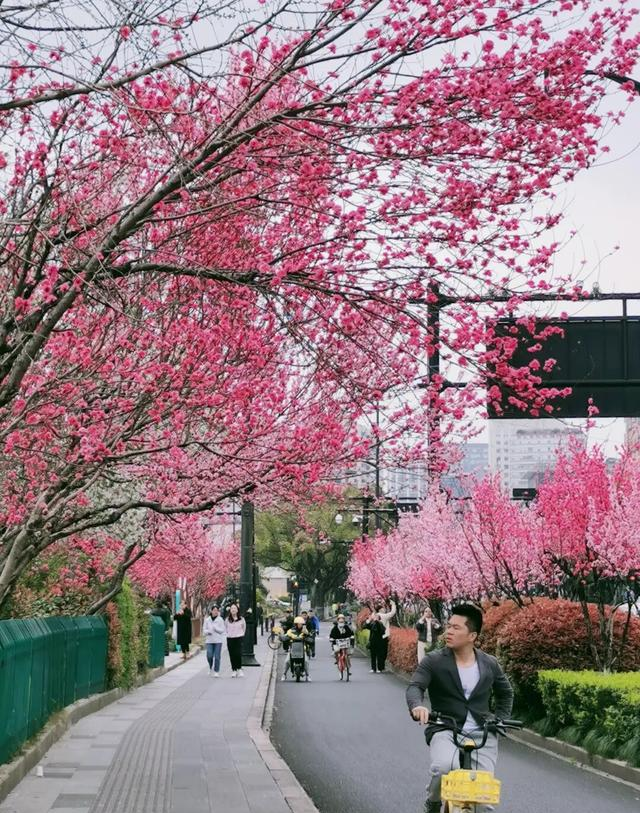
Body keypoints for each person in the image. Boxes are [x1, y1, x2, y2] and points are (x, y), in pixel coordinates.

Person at [406, 604, 514, 813]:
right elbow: (415, 687)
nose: (449, 632)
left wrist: (500, 720)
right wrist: (418, 706)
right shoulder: (434, 660)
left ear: (472, 635)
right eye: (448, 626)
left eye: (456, 628)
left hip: (482, 731)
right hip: (446, 727)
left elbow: (506, 692)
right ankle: (434, 801)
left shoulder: (489, 663)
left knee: (483, 800)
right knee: (442, 768)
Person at [282, 616, 311, 681]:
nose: (300, 625)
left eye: (302, 624)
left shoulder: (305, 631)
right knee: (287, 661)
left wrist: (309, 638)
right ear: (296, 624)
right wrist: (283, 638)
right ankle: (284, 674)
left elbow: (309, 636)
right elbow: (286, 636)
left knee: (306, 661)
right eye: (299, 623)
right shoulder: (291, 630)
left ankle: (307, 676)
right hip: (292, 649)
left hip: (302, 650)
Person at [372, 598, 395, 672]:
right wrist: (393, 604)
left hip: (375, 636)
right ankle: (380, 667)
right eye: (383, 608)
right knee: (382, 653)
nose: (384, 609)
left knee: (375, 653)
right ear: (380, 610)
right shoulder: (383, 616)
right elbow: (392, 613)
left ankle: (375, 668)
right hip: (383, 636)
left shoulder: (374, 615)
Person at [203, 605, 225, 677]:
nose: (215, 612)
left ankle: (216, 671)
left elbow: (222, 630)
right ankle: (210, 666)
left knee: (217, 656)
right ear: (211, 611)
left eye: (216, 610)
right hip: (209, 640)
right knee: (209, 655)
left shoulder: (220, 619)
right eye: (214, 610)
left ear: (218, 611)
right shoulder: (207, 620)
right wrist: (208, 631)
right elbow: (204, 630)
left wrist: (216, 629)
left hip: (218, 641)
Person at [225, 603, 246, 677]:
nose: (233, 610)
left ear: (237, 610)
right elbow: (225, 628)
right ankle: (234, 669)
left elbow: (244, 628)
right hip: (230, 638)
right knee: (232, 654)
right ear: (230, 610)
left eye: (234, 608)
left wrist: (241, 634)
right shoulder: (227, 619)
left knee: (238, 653)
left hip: (239, 638)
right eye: (232, 608)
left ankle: (239, 669)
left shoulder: (241, 619)